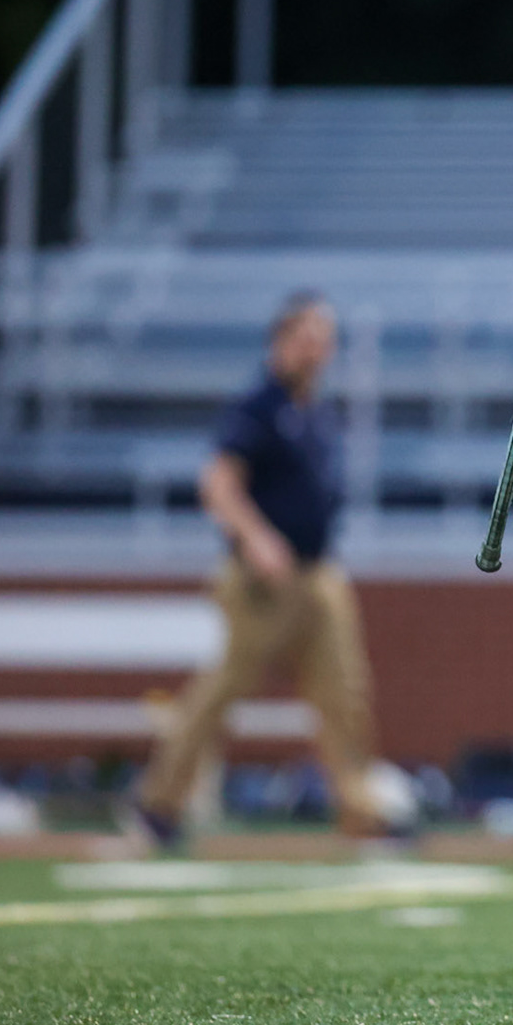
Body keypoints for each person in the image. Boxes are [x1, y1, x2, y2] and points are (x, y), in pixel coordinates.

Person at [130, 292, 391, 847]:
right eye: (307, 339)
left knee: (345, 692)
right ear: (282, 341)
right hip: (262, 581)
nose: (316, 351)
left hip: (318, 574)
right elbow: (217, 486)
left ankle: (360, 809)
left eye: (324, 340)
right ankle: (159, 803)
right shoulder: (257, 406)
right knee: (224, 689)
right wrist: (256, 539)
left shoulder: (315, 411)